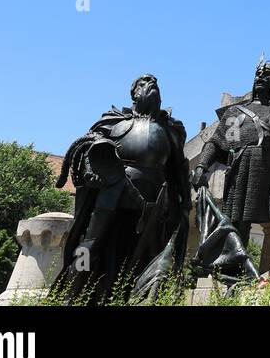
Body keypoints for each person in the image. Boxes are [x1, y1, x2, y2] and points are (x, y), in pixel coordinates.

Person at [54, 74, 189, 302]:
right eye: (144, 83)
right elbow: (89, 148)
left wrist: (185, 199)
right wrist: (90, 170)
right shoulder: (113, 121)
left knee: (147, 251)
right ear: (134, 93)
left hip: (154, 197)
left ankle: (136, 296)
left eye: (155, 84)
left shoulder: (170, 129)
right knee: (90, 243)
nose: (152, 85)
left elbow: (179, 169)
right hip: (114, 190)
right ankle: (72, 292)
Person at [192, 51, 270, 259]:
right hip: (243, 169)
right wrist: (200, 167)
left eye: (267, 75)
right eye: (258, 75)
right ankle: (232, 278)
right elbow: (218, 142)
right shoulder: (237, 113)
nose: (261, 78)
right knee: (237, 230)